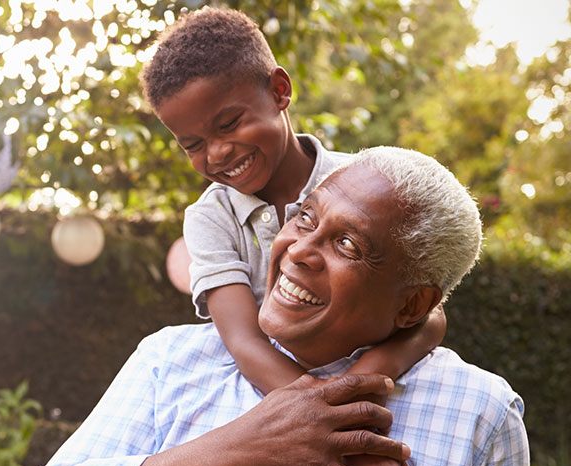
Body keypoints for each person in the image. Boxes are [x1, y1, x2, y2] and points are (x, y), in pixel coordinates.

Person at [4, 148, 530, 466]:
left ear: (414, 305)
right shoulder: (171, 361)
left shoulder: (480, 415)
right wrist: (238, 450)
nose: (298, 249)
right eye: (306, 217)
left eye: (348, 244)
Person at [140, 6, 445, 398]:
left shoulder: (364, 183)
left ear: (279, 91)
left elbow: (429, 316)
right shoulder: (211, 218)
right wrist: (323, 412)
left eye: (229, 124)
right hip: (272, 392)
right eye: (193, 145)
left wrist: (356, 386)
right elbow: (245, 342)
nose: (216, 154)